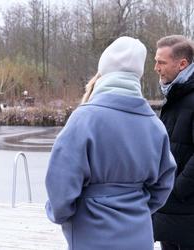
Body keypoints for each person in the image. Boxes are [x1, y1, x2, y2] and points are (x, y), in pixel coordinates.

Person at [45, 36, 176, 250]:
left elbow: (61, 183)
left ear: (104, 70)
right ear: (138, 76)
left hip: (91, 231)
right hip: (139, 232)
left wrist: (62, 214)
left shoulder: (84, 119)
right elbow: (164, 183)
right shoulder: (154, 125)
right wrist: (138, 206)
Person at [153, 35, 194, 250]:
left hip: (185, 209)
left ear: (182, 64)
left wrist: (176, 189)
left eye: (161, 62)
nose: (155, 68)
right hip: (170, 210)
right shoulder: (175, 95)